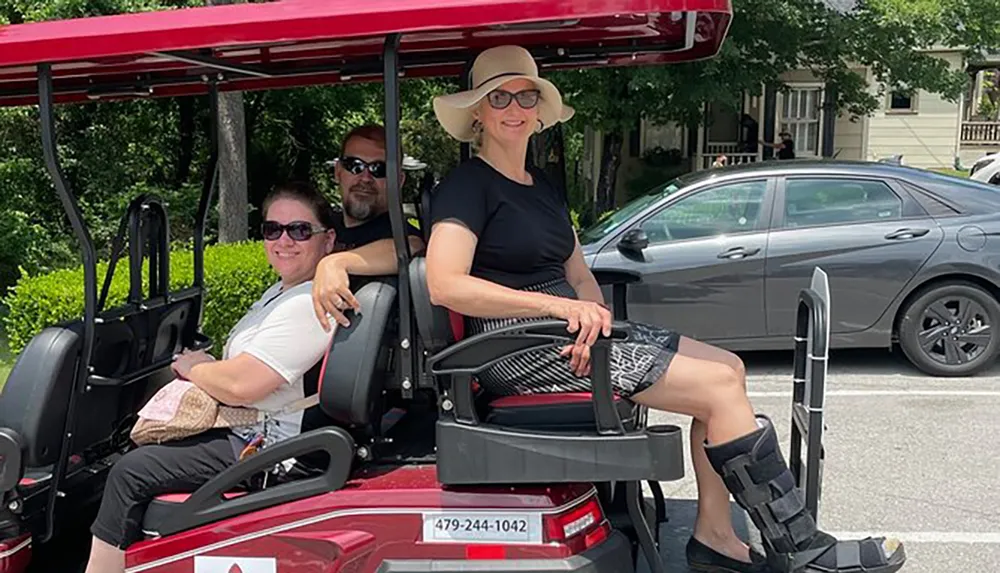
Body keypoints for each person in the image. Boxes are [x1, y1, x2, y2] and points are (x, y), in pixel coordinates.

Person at [424, 45, 905, 573]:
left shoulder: (542, 187)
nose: (514, 108)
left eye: (526, 95)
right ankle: (801, 546)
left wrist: (590, 320)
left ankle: (715, 537)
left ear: (540, 109)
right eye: (499, 97)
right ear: (477, 113)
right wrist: (558, 313)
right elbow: (446, 285)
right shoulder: (466, 185)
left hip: (566, 336)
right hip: (516, 347)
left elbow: (579, 274)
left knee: (728, 369)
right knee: (717, 389)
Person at [85, 181, 339, 573]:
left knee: (130, 472)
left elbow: (242, 385)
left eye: (300, 230)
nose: (284, 240)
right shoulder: (282, 292)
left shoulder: (309, 304)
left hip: (271, 447)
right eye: (273, 230)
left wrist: (194, 367)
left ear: (328, 240)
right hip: (251, 431)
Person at [312, 123, 425, 331]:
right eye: (354, 165)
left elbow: (410, 246)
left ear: (398, 180)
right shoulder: (319, 225)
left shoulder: (399, 234)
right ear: (338, 172)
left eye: (379, 169)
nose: (365, 178)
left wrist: (335, 262)